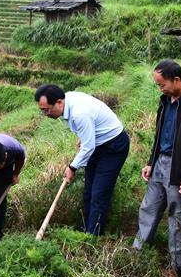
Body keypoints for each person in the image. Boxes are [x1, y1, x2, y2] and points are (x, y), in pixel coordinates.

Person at [133, 60, 181, 277]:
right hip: (160, 163)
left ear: (177, 79)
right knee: (149, 207)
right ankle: (136, 254)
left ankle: (178, 267)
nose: (160, 88)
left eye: (162, 84)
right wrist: (150, 162)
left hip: (180, 168)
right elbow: (159, 135)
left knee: (177, 217)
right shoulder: (164, 101)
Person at [35, 84, 129, 236]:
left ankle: (92, 236)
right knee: (89, 190)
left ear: (59, 102)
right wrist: (83, 136)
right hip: (97, 144)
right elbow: (88, 136)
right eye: (42, 110)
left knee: (99, 192)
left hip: (113, 147)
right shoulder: (68, 100)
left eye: (47, 109)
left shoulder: (79, 113)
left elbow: (88, 147)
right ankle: (87, 227)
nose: (45, 114)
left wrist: (72, 167)